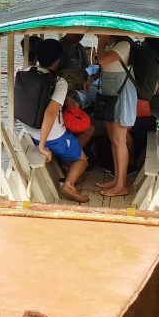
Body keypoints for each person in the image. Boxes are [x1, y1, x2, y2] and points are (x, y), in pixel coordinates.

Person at [16, 38, 90, 203]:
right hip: (52, 137)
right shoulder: (59, 82)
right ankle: (68, 185)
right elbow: (50, 113)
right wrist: (42, 146)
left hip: (29, 131)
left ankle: (65, 162)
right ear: (58, 60)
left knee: (70, 138)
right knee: (82, 160)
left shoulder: (25, 71)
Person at [94, 34, 137, 197]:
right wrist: (103, 43)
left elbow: (102, 61)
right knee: (113, 138)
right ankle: (117, 179)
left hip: (122, 96)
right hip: (110, 97)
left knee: (119, 139)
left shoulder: (124, 44)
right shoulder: (109, 45)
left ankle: (122, 184)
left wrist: (100, 41)